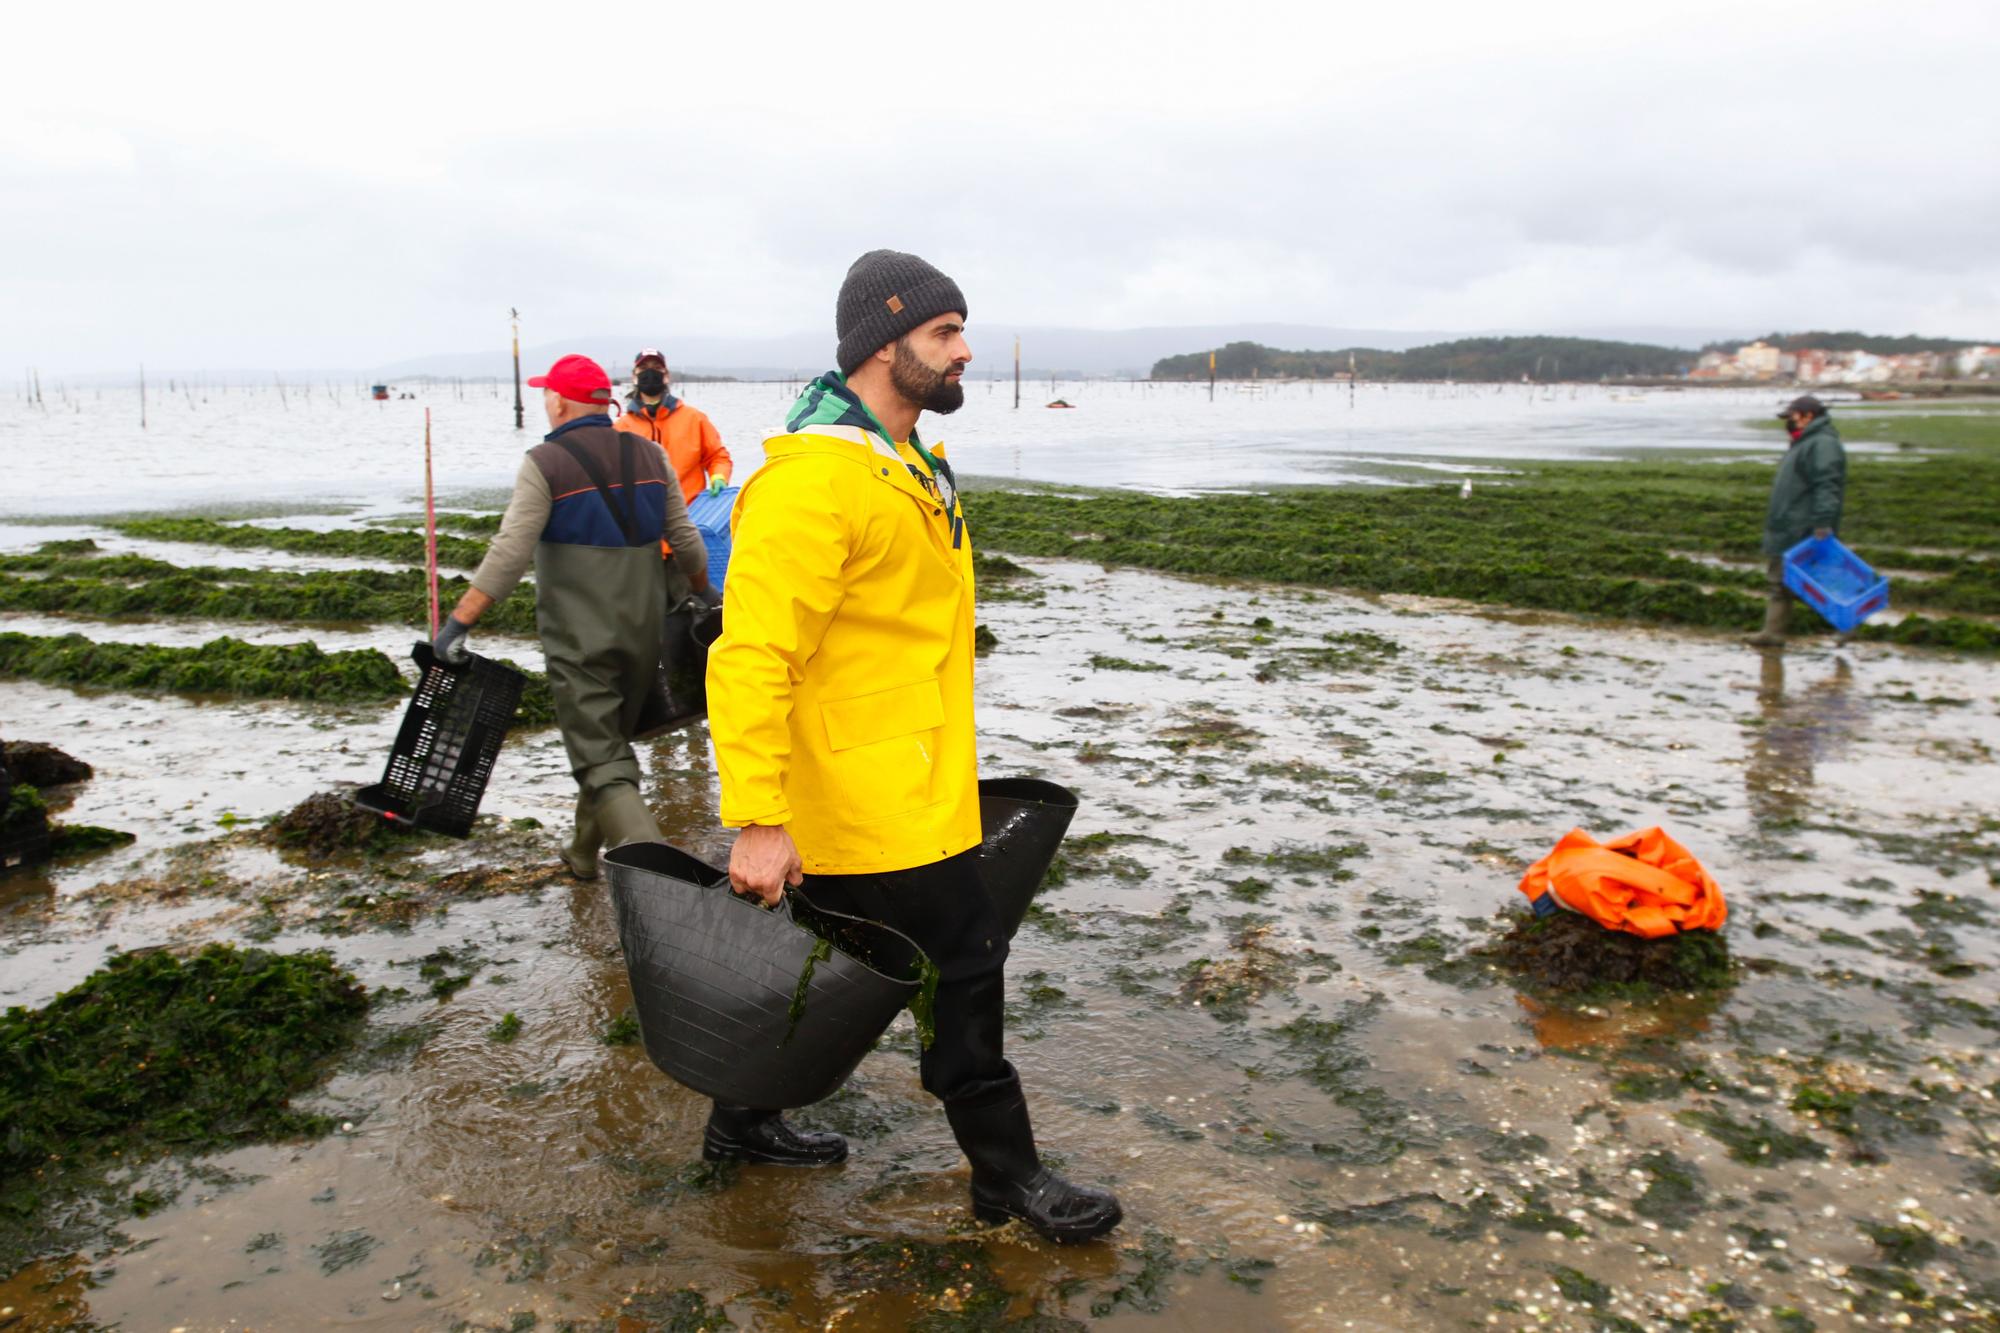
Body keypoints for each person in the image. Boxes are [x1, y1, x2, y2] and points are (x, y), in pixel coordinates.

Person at [704, 250, 1124, 1243]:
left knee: (831, 969)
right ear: (879, 346)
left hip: (916, 779)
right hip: (865, 800)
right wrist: (758, 819)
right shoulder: (812, 484)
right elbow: (751, 654)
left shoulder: (911, 467)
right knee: (963, 967)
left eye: (960, 328)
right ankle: (1005, 1179)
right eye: (944, 332)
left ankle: (740, 1121)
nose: (965, 348)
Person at [430, 353, 710, 875]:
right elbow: (688, 543)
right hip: (645, 633)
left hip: (581, 640)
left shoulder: (545, 462)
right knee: (606, 744)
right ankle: (582, 854)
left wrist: (458, 624)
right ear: (603, 401)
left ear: (557, 401)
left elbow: (511, 552)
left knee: (602, 758)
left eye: (546, 394)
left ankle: (667, 878)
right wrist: (704, 595)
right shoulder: (651, 456)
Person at [1748, 394, 1847, 649]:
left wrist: (1823, 523)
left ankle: (1848, 625)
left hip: (1802, 526)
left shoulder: (1822, 444)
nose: (1788, 423)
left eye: (1791, 417)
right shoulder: (1804, 443)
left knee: (1817, 580)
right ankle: (1773, 633)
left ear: (1807, 416)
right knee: (1780, 582)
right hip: (1787, 524)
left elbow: (1828, 485)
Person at [614, 349, 732, 505]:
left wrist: (719, 477)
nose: (650, 373)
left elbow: (718, 457)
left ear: (666, 376)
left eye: (656, 368)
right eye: (643, 369)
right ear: (634, 377)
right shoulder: (621, 428)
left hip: (690, 511)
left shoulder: (694, 418)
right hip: (642, 515)